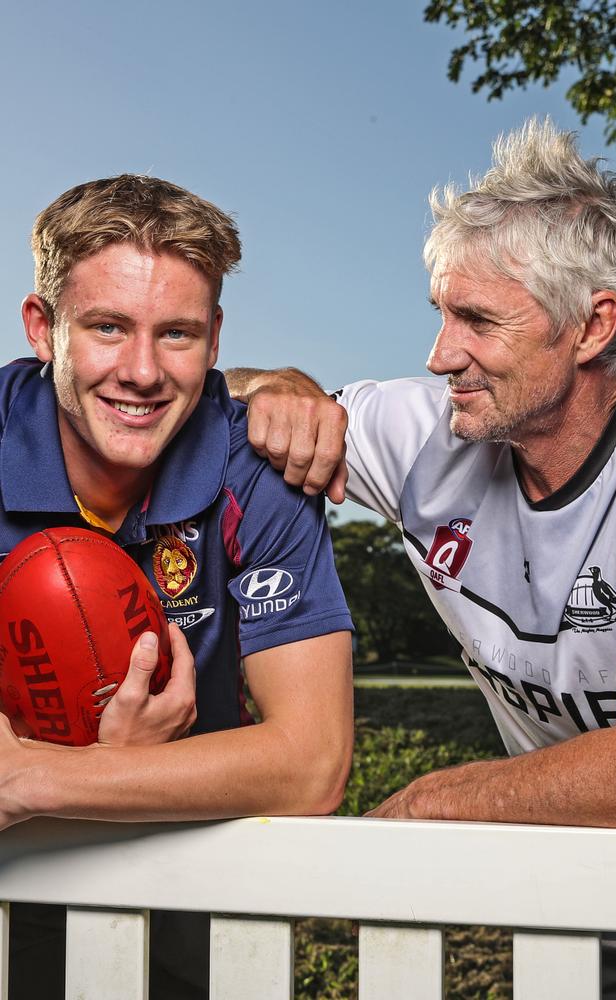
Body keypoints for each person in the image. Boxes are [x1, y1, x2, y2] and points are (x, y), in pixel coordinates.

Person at [226, 119, 616, 997]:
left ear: (592, 325)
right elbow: (196, 403)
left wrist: (434, 803)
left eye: (478, 320)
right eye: (440, 313)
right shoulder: (437, 430)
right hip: (583, 905)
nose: (438, 355)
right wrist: (280, 388)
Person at [0, 174, 353, 999]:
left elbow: (312, 761)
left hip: (185, 874)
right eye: (107, 327)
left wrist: (36, 778)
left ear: (217, 338)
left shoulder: (255, 470)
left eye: (179, 334)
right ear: (43, 328)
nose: (142, 371)